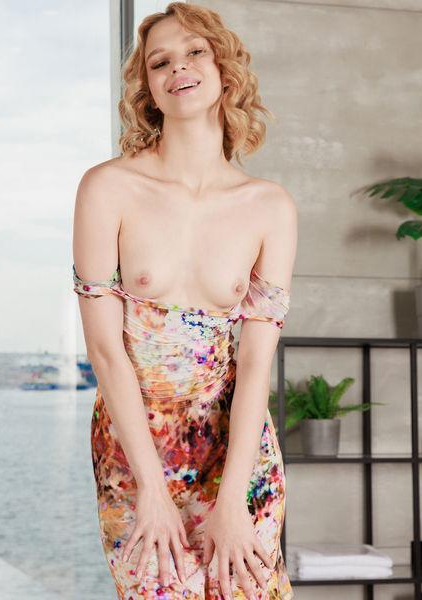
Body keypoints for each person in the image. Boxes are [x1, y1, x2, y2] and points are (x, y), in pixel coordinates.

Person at [71, 3, 297, 599]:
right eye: (160, 62)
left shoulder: (269, 206)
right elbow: (105, 350)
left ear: (224, 67)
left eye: (195, 52)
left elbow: (255, 362)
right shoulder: (108, 188)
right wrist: (150, 488)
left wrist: (233, 498)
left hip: (236, 451)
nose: (179, 68)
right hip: (135, 450)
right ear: (147, 86)